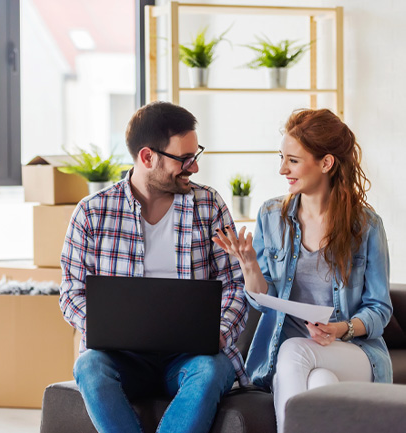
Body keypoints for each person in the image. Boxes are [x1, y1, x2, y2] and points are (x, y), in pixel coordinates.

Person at [59, 101, 248, 433]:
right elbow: (71, 292)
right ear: (147, 157)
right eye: (184, 159)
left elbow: (234, 284)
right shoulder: (92, 212)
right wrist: (104, 328)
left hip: (189, 359)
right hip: (122, 358)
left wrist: (218, 334)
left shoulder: (210, 205)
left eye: (196, 155)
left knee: (212, 369)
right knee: (89, 366)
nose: (194, 167)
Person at [213, 108, 393, 433]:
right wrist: (250, 265)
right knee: (319, 381)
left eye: (293, 160)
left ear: (326, 163)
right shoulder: (271, 215)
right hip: (294, 357)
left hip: (353, 351)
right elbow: (261, 299)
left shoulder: (365, 226)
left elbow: (379, 309)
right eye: (282, 157)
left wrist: (340, 329)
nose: (282, 169)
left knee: (295, 351)